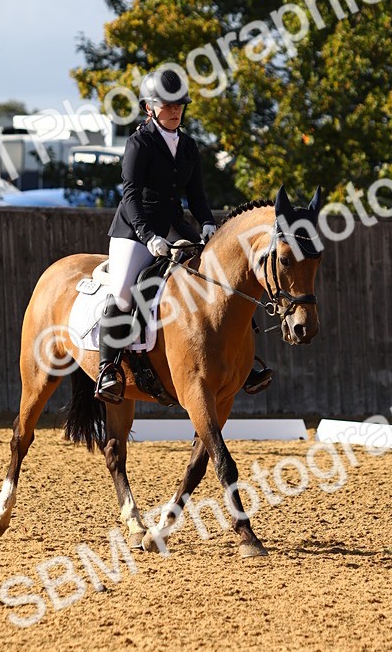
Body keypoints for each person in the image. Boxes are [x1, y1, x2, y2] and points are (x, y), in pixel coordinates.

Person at [94, 65, 274, 403]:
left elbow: (198, 197)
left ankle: (242, 364)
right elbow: (130, 195)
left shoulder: (189, 145)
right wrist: (148, 236)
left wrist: (207, 223)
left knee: (219, 280)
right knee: (122, 292)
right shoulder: (139, 143)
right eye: (167, 105)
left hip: (175, 225)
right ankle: (109, 367)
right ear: (149, 108)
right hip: (134, 230)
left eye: (179, 105)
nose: (175, 111)